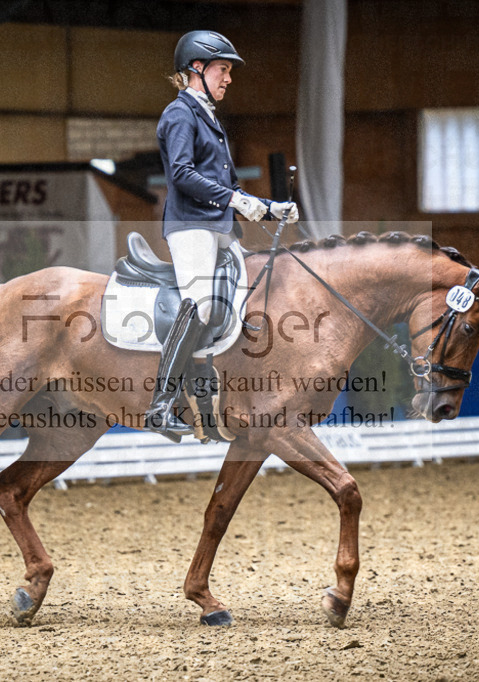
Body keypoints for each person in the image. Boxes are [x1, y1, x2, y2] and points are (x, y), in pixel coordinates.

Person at [144, 30, 299, 440]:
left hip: (217, 226)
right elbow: (181, 174)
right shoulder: (179, 114)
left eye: (229, 71)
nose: (229, 78)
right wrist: (236, 200)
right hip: (191, 226)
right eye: (223, 69)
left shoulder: (209, 117)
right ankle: (160, 405)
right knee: (202, 306)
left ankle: (212, 403)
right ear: (196, 69)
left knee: (249, 291)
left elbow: (222, 183)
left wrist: (267, 206)